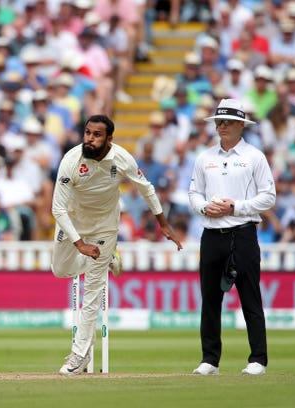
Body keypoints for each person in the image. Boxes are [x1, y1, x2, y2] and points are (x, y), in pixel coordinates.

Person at [51, 114, 182, 376]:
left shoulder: (122, 158)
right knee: (60, 270)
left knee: (93, 289)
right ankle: (108, 256)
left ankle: (80, 353)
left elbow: (146, 188)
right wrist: (79, 244)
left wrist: (163, 223)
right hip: (73, 222)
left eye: (96, 134)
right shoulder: (71, 160)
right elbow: (57, 209)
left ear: (109, 139)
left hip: (105, 226)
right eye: (87, 133)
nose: (89, 138)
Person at [188, 99, 276, 376]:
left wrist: (235, 207)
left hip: (243, 232)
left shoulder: (254, 156)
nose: (221, 126)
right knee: (210, 299)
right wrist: (204, 207)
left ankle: (258, 359)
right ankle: (210, 360)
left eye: (227, 122)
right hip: (212, 235)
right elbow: (193, 193)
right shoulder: (205, 158)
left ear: (241, 125)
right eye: (218, 121)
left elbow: (268, 197)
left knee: (250, 296)